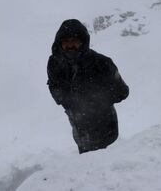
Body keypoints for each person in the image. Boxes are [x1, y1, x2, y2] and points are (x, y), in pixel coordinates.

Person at [47, 19, 129, 154]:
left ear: (82, 41)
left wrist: (97, 100)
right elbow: (54, 86)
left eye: (74, 41)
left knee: (108, 164)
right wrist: (66, 100)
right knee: (86, 161)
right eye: (65, 42)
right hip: (79, 127)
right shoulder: (55, 64)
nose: (70, 46)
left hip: (106, 126)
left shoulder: (102, 63)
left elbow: (123, 91)